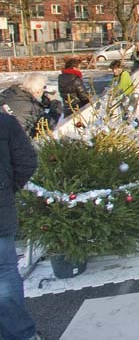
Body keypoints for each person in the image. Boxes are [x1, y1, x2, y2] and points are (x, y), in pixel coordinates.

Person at [0, 113, 39, 340]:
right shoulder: (5, 123)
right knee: (4, 274)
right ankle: (21, 335)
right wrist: (7, 189)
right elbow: (27, 162)